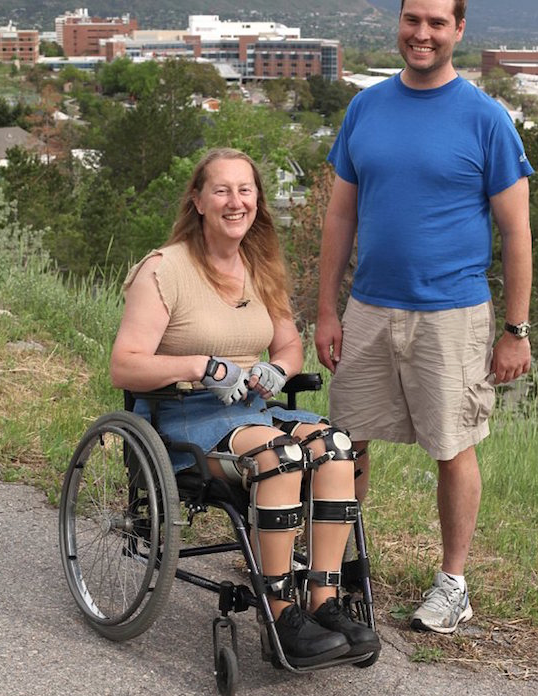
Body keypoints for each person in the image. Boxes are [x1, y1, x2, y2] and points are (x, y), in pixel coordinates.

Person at [315, 0, 533, 635]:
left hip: (452, 313)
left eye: (437, 23)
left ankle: (452, 583)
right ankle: (338, 567)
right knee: (346, 441)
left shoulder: (485, 119)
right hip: (370, 307)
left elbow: (516, 230)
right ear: (399, 21)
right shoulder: (366, 107)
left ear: (458, 31)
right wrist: (326, 308)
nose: (422, 33)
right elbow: (339, 218)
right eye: (413, 19)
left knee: (452, 446)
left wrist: (515, 330)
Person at [110, 147, 380, 666]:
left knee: (335, 445)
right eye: (222, 190)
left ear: (257, 199)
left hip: (253, 413)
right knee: (279, 457)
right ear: (198, 201)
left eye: (246, 190)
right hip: (187, 420)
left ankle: (323, 603)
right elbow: (125, 365)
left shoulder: (259, 266)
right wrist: (201, 367)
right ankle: (279, 612)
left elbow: (288, 344)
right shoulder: (164, 269)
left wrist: (277, 368)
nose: (236, 202)